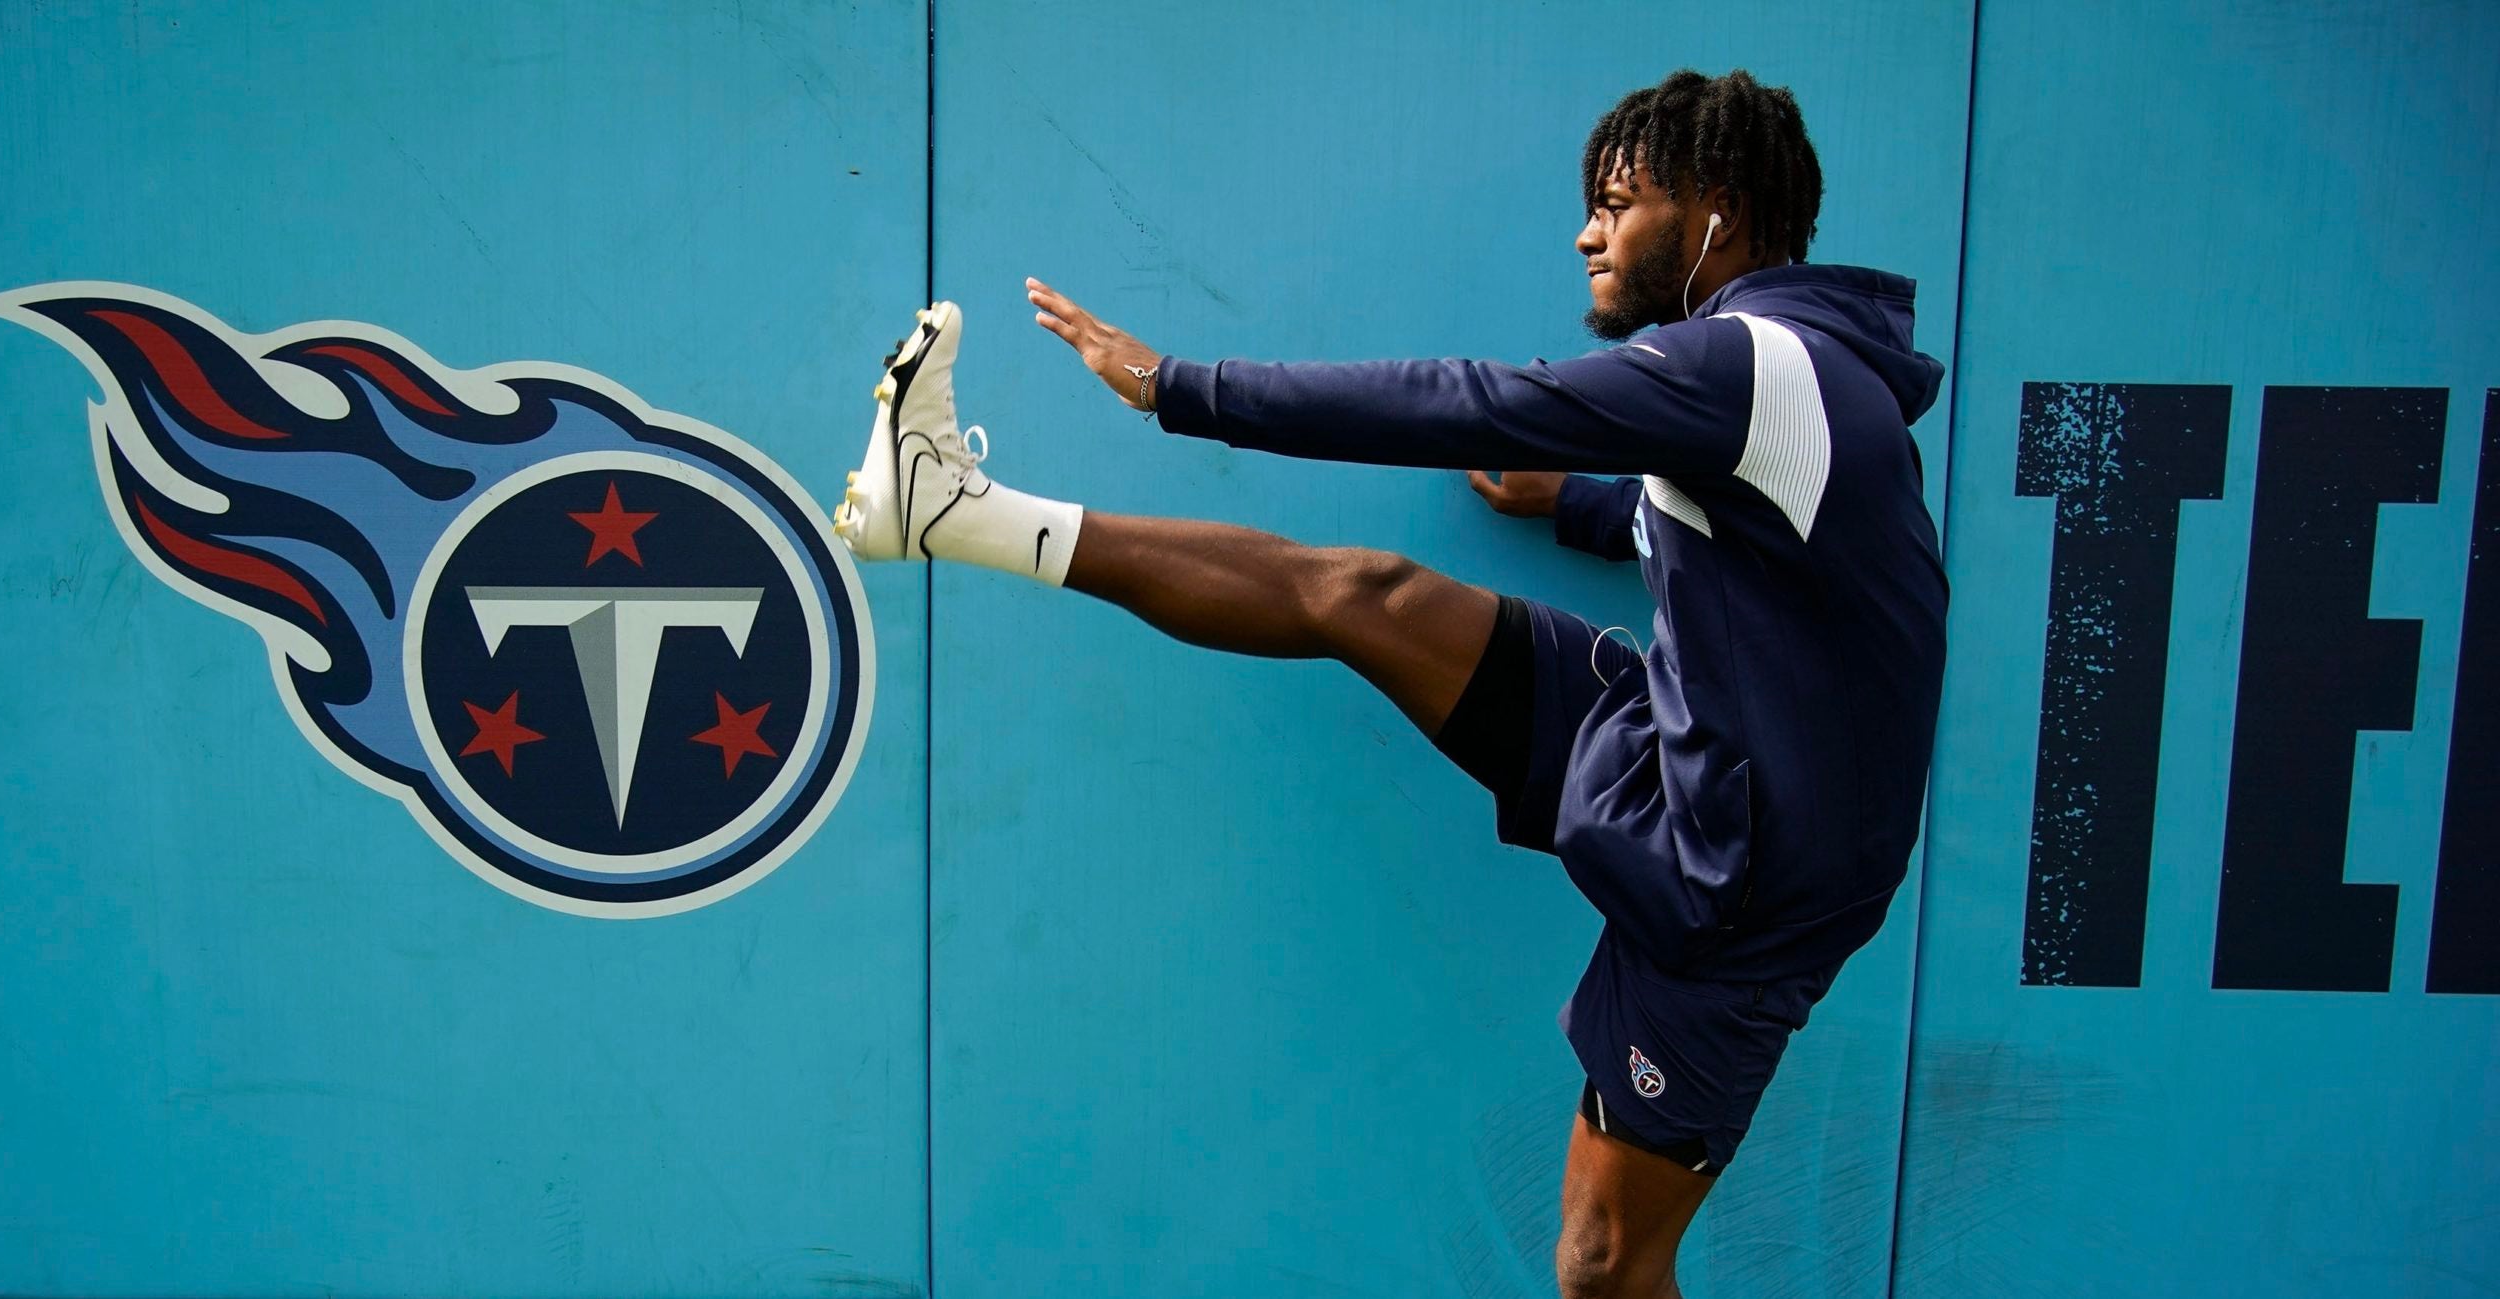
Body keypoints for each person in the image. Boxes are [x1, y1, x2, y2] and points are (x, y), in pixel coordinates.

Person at [833, 68, 1947, 1299]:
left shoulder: (1748, 363)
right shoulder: (1790, 376)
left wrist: (1177, 388)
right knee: (1362, 595)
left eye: (1620, 204)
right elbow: (1762, 534)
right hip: (1689, 748)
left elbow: (1474, 402)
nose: (1588, 231)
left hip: (1754, 878)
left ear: (1718, 216)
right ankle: (949, 509)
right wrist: (1577, 502)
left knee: (1603, 1260)